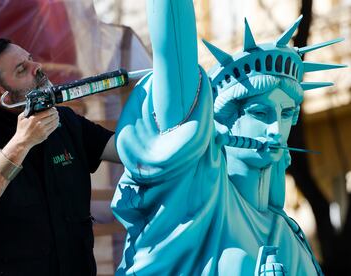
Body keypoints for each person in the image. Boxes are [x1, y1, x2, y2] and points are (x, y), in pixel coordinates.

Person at [111, 0, 344, 275]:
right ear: (222, 118)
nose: (275, 130)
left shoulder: (289, 234)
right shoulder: (198, 197)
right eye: (260, 113)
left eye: (286, 114)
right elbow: (174, 44)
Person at [0, 38, 119, 276]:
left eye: (31, 59)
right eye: (21, 69)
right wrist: (21, 143)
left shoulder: (66, 122)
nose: (37, 68)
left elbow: (122, 149)